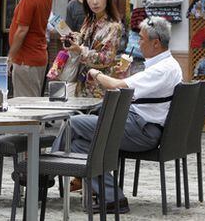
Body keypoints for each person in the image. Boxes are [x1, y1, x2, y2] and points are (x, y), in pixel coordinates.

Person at [52, 17, 183, 213]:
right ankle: (114, 198)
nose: (138, 43)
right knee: (80, 145)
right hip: (141, 125)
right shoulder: (168, 65)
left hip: (142, 130)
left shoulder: (162, 69)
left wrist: (95, 73)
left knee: (73, 123)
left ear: (156, 43)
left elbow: (117, 86)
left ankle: (45, 173)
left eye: (141, 39)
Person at [62, 0, 122, 98]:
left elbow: (106, 59)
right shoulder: (89, 21)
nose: (95, 2)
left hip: (99, 87)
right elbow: (83, 40)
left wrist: (80, 51)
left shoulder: (113, 27)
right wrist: (72, 40)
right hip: (82, 84)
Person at [8, 0, 54, 97]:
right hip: (39, 55)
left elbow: (22, 30)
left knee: (25, 104)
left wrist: (11, 57)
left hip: (25, 59)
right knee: (33, 98)